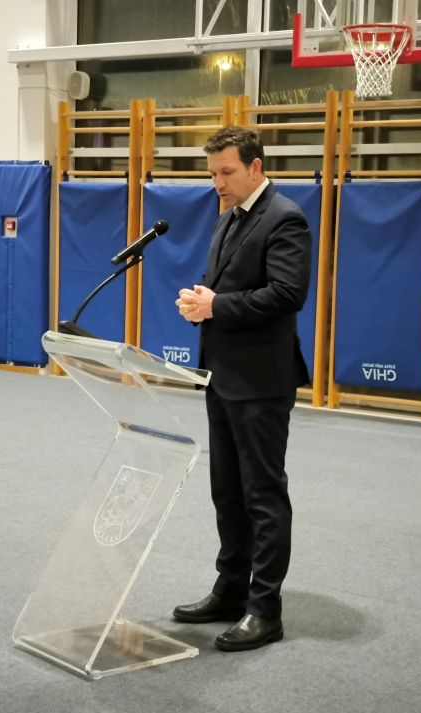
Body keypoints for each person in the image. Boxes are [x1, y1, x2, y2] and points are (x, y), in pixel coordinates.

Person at [173, 126, 311, 652]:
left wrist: (217, 306)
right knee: (227, 492)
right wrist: (200, 304)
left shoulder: (286, 218)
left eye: (226, 172)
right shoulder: (228, 216)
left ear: (256, 167)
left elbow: (287, 294)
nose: (218, 183)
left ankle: (265, 609)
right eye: (213, 174)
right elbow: (228, 288)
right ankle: (230, 590)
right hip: (223, 376)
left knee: (263, 495)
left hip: (261, 382)